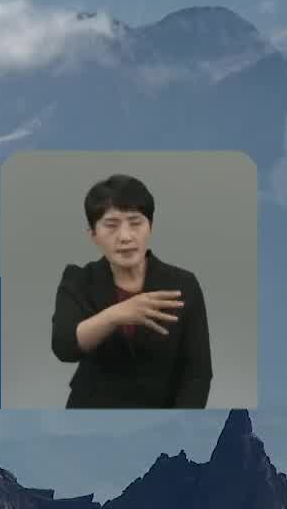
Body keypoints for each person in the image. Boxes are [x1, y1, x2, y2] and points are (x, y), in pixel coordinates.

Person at [50, 174, 211, 407]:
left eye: (136, 223)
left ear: (151, 226)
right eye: (111, 225)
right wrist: (118, 314)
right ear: (93, 235)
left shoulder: (183, 284)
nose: (125, 237)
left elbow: (198, 373)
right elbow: (64, 347)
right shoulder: (79, 280)